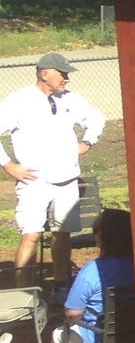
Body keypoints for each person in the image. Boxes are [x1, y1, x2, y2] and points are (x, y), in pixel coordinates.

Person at [0, 52, 106, 287]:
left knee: (62, 234)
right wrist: (8, 166)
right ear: (44, 73)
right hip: (33, 181)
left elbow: (96, 119)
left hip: (67, 180)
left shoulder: (71, 99)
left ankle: (61, 285)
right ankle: (24, 292)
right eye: (63, 74)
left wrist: (88, 142)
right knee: (31, 235)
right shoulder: (19, 101)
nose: (67, 79)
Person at [37, 207, 134, 343]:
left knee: (58, 339)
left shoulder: (93, 270)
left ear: (102, 238)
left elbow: (72, 312)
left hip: (100, 337)